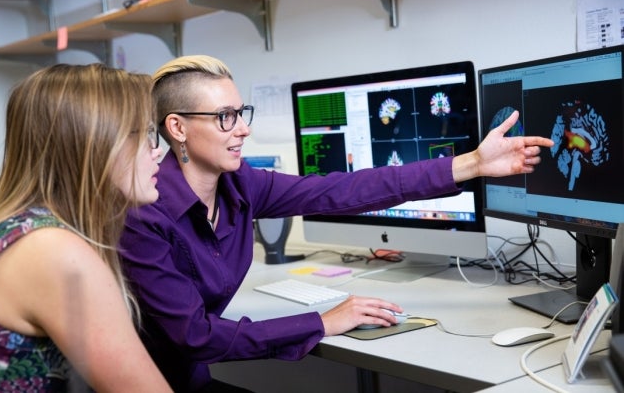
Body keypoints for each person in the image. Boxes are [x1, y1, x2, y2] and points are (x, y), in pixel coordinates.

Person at [118, 55, 555, 392]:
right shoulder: (144, 213)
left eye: (241, 112)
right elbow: (195, 337)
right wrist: (322, 322)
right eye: (224, 117)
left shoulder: (239, 185)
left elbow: (339, 190)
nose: (242, 130)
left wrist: (471, 164)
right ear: (176, 127)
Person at [0, 64, 173, 392]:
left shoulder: (7, 228)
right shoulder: (55, 253)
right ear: (94, 144)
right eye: (143, 133)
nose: (158, 150)